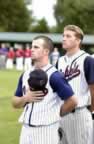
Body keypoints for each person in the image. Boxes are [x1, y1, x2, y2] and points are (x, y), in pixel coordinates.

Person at [12, 35, 78, 144]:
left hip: (46, 130)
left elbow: (73, 101)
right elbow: (15, 102)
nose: (31, 49)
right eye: (32, 47)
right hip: (26, 129)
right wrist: (25, 98)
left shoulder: (55, 76)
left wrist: (57, 113)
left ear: (46, 51)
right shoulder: (25, 74)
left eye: (36, 47)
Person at [56, 25, 94, 144]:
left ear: (78, 40)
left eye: (68, 36)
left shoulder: (87, 60)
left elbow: (93, 90)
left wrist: (92, 112)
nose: (64, 39)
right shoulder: (60, 61)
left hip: (79, 114)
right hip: (61, 113)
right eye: (63, 36)